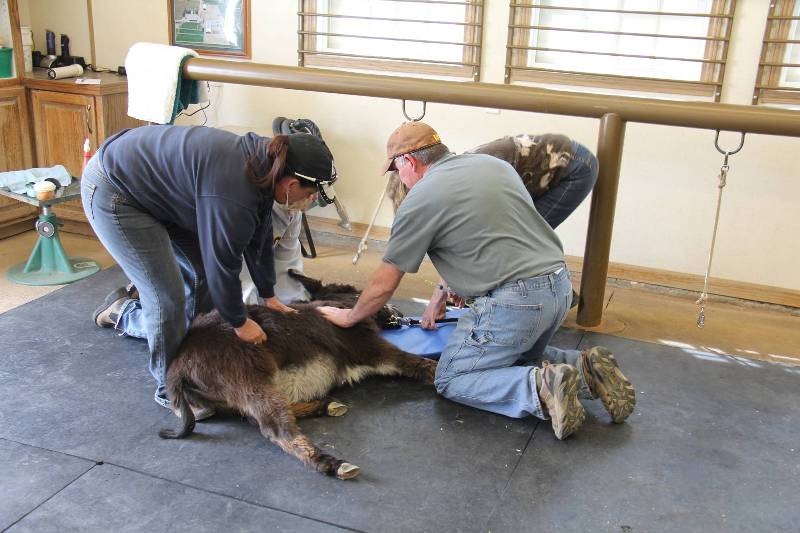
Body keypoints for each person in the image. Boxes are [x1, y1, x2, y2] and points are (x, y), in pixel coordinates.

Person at [318, 122, 634, 440]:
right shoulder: (493, 166)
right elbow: (493, 232)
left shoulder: (421, 198)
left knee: (453, 378)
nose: (399, 179)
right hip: (559, 287)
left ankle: (538, 388)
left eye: (396, 170)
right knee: (516, 358)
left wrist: (349, 316)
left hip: (516, 301)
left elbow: (385, 283)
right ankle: (586, 369)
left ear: (409, 162)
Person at [82, 125, 337, 411]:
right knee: (167, 296)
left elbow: (261, 238)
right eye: (312, 192)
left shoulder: (266, 166)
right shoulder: (233, 193)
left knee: (200, 274)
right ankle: (172, 388)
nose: (312, 199)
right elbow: (223, 266)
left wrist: (269, 295)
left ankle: (192, 364)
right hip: (116, 191)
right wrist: (239, 322)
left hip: (158, 191)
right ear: (291, 184)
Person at [387, 133, 599, 319]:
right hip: (547, 165)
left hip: (574, 166)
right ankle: (556, 293)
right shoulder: (450, 173)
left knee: (523, 238)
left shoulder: (458, 182)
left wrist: (440, 295)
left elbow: (469, 246)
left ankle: (552, 295)